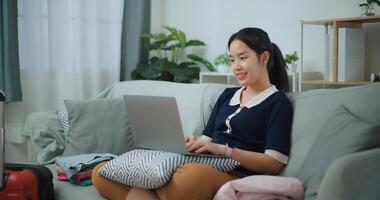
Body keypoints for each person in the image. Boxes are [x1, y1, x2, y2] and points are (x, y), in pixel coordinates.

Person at [91, 27, 293, 200]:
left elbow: (274, 163)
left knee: (187, 178)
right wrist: (192, 144)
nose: (236, 67)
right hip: (203, 163)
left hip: (235, 174)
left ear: (264, 57)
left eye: (243, 58)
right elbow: (206, 140)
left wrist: (225, 150)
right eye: (232, 60)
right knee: (101, 172)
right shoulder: (227, 95)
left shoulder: (277, 103)